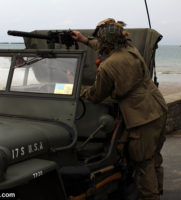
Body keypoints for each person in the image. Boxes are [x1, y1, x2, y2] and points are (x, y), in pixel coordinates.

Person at [72, 18, 168, 200]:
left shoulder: (109, 65)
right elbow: (103, 46)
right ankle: (158, 189)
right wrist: (84, 40)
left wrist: (75, 87)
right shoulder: (130, 50)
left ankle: (150, 196)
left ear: (107, 43)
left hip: (142, 117)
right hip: (157, 107)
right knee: (154, 155)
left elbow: (96, 95)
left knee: (142, 162)